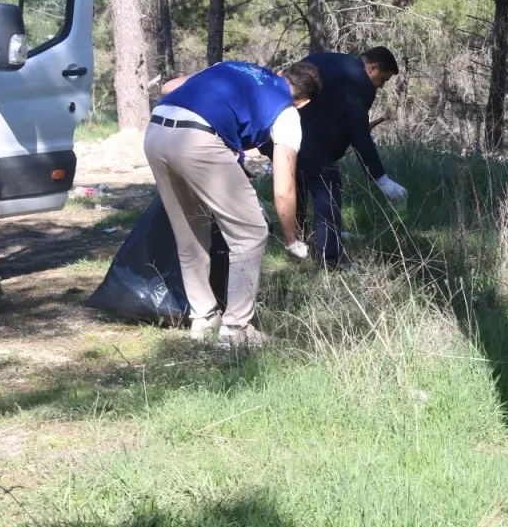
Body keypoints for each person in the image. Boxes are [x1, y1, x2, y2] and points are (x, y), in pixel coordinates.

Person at [145, 60, 321, 346]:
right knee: (251, 232)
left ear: (280, 73)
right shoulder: (288, 113)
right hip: (198, 139)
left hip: (156, 130)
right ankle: (236, 330)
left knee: (190, 231)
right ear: (304, 103)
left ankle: (203, 319)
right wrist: (291, 240)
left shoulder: (236, 67)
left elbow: (168, 87)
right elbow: (284, 189)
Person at [287, 46, 407, 268]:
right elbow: (359, 134)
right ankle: (331, 259)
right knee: (327, 185)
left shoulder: (326, 60)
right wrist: (382, 180)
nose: (381, 85)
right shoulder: (360, 83)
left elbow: (328, 109)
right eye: (383, 79)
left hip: (285, 128)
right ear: (372, 68)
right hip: (309, 138)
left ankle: (300, 242)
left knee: (296, 185)